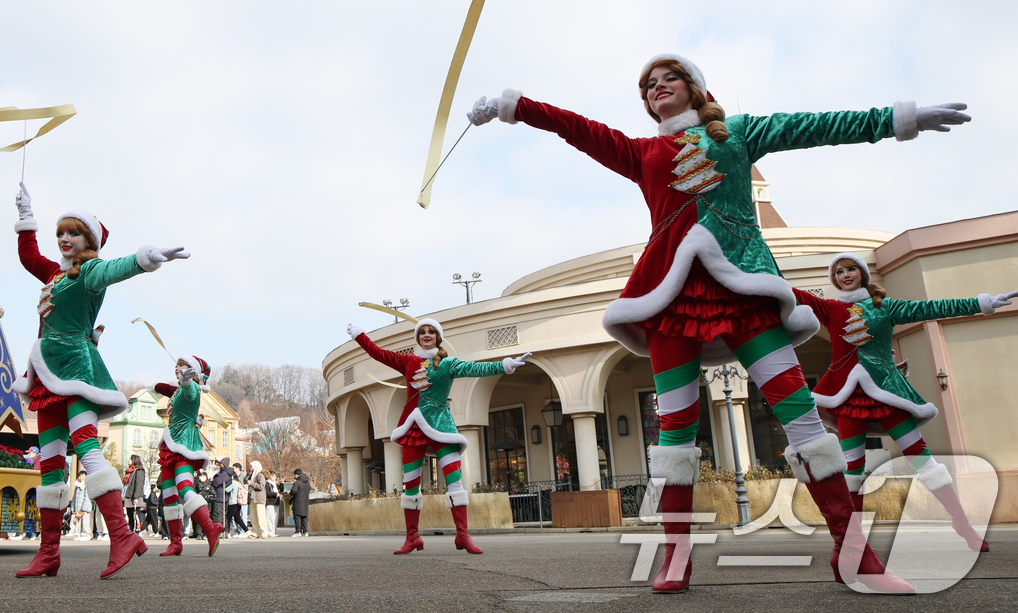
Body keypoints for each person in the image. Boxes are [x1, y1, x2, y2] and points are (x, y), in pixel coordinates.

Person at [466, 55, 971, 592]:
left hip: (746, 293)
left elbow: (815, 125)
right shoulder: (642, 153)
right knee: (676, 433)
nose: (658, 89)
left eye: (669, 79)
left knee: (802, 422)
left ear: (694, 87)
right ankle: (675, 557)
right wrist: (515, 107)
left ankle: (857, 556)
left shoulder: (739, 133)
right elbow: (578, 129)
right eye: (648, 86)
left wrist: (897, 120)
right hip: (669, 303)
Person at [10, 184, 189, 579]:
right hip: (46, 373)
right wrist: (26, 218)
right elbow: (29, 257)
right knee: (51, 465)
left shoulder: (89, 272)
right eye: (60, 232)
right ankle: (49, 553)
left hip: (77, 370)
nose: (63, 238)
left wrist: (143, 260)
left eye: (72, 232)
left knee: (88, 450)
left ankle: (122, 537)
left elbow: (114, 268)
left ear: (88, 240)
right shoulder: (54, 273)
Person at [795, 254, 1015, 556]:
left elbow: (932, 308)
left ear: (862, 273)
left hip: (888, 396)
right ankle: (855, 542)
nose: (846, 275)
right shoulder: (830, 308)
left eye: (851, 269)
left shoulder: (885, 307)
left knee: (923, 460)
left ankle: (961, 523)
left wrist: (982, 303)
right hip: (848, 401)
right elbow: (790, 293)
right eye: (839, 271)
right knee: (852, 471)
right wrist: (743, 269)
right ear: (834, 279)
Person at [346, 320, 529, 554]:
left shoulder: (448, 363)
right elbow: (379, 354)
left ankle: (463, 535)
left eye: (431, 331)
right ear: (417, 337)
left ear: (438, 336)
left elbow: (476, 369)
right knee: (410, 485)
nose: (426, 335)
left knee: (455, 483)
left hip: (442, 427)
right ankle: (412, 538)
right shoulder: (409, 362)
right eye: (422, 332)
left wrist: (505, 365)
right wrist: (360, 336)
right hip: (413, 428)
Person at [153, 356, 226, 556]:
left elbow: (187, 388)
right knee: (168, 494)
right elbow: (163, 388)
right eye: (176, 365)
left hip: (185, 444)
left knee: (184, 488)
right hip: (170, 444)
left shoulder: (192, 389)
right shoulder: (177, 392)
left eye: (183, 365)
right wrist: (160, 385)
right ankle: (175, 541)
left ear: (192, 371)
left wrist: (187, 379)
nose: (178, 368)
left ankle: (210, 527)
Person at [125, 455, 149, 532]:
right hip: (128, 495)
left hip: (135, 496)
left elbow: (139, 484)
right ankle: (131, 530)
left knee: (136, 515)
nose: (129, 461)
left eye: (130, 459)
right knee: (130, 515)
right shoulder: (129, 471)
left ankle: (137, 530)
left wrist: (136, 497)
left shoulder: (139, 471)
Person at [247, 461, 268, 538]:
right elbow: (245, 480)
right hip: (253, 497)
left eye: (251, 466)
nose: (250, 468)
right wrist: (249, 473)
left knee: (260, 515)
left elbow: (261, 486)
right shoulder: (252, 475)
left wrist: (251, 484)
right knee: (253, 516)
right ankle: (255, 532)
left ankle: (264, 532)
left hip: (259, 497)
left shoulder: (260, 475)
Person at [289, 468, 312, 537]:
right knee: (304, 517)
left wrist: (290, 493)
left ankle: (298, 531)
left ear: (297, 475)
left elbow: (293, 491)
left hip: (297, 502)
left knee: (297, 517)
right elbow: (309, 490)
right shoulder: (307, 483)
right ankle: (305, 532)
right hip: (305, 502)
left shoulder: (297, 483)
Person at [265, 471, 281, 538]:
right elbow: (267, 493)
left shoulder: (276, 484)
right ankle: (270, 531)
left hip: (276, 502)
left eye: (275, 476)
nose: (274, 477)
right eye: (272, 476)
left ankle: (274, 530)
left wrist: (282, 484)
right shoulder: (267, 483)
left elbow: (281, 490)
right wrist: (275, 494)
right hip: (270, 502)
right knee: (270, 518)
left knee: (275, 518)